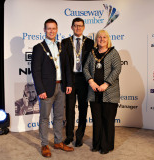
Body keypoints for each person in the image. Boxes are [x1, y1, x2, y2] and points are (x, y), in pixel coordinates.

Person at [31, 18, 74, 158]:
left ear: (57, 30)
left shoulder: (61, 46)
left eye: (54, 28)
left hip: (61, 86)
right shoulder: (38, 48)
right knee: (44, 118)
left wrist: (68, 84)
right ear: (44, 30)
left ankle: (57, 142)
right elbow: (36, 71)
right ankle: (44, 144)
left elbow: (67, 67)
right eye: (48, 28)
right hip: (46, 89)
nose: (51, 31)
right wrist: (40, 90)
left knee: (59, 117)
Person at [83, 30, 121, 154]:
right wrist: (91, 82)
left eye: (104, 37)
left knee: (107, 120)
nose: (102, 39)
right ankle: (97, 144)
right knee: (97, 120)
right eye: (100, 37)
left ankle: (106, 146)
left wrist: (106, 84)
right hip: (95, 93)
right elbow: (85, 68)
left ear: (108, 39)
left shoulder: (113, 52)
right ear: (97, 39)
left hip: (109, 92)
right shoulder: (92, 53)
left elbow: (117, 69)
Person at [61, 17, 94, 147]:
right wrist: (66, 81)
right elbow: (63, 64)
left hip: (84, 79)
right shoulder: (64, 42)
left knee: (83, 108)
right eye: (75, 25)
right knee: (69, 109)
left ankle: (79, 136)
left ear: (84, 27)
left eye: (80, 26)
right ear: (71, 27)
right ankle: (69, 135)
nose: (78, 28)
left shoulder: (90, 42)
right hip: (70, 79)